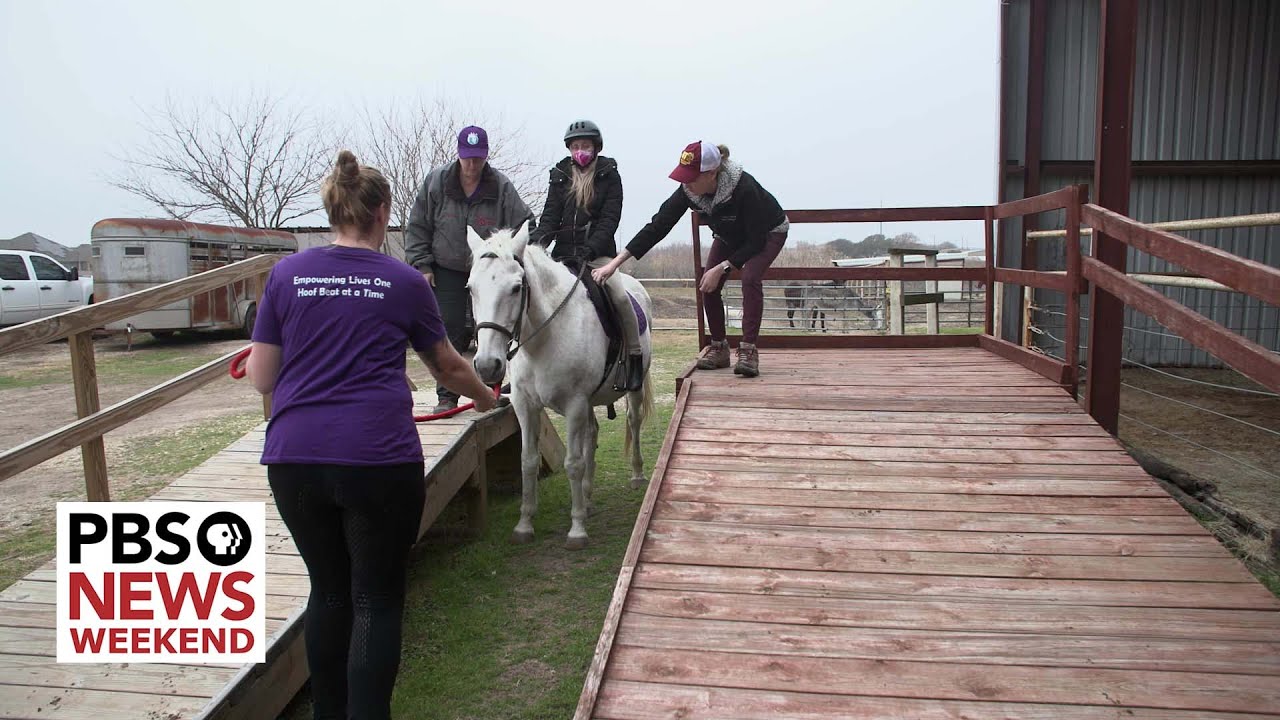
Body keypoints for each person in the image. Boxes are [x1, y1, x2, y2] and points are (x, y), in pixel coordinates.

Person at [246, 150, 496, 720]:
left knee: (328, 592)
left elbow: (261, 375)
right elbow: (449, 368)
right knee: (376, 600)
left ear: (332, 208)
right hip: (378, 461)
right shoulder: (405, 281)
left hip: (296, 460)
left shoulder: (285, 276)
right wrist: (486, 397)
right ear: (383, 213)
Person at [593, 140, 788, 377]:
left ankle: (748, 350)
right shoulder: (689, 190)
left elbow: (755, 242)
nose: (686, 183)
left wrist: (723, 267)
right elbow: (658, 226)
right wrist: (615, 263)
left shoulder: (744, 187)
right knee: (707, 285)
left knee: (750, 277)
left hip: (767, 233)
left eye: (692, 177)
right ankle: (719, 348)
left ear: (712, 173)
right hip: (729, 235)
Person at [405, 125, 534, 414]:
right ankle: (446, 396)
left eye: (477, 158)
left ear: (486, 156)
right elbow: (417, 226)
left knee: (492, 326)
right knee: (448, 331)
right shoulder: (436, 183)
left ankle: (490, 392)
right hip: (446, 268)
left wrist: (513, 257)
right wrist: (422, 264)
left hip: (488, 270)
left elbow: (525, 221)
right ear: (458, 154)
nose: (472, 164)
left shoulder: (500, 186)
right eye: (467, 158)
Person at [529, 119, 641, 391]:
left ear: (596, 148)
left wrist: (591, 248)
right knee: (528, 297)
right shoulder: (559, 175)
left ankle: (635, 357)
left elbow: (610, 219)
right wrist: (536, 245)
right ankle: (523, 370)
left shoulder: (609, 174)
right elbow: (550, 217)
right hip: (563, 255)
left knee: (619, 297)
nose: (581, 151)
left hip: (597, 256)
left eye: (586, 146)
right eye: (576, 146)